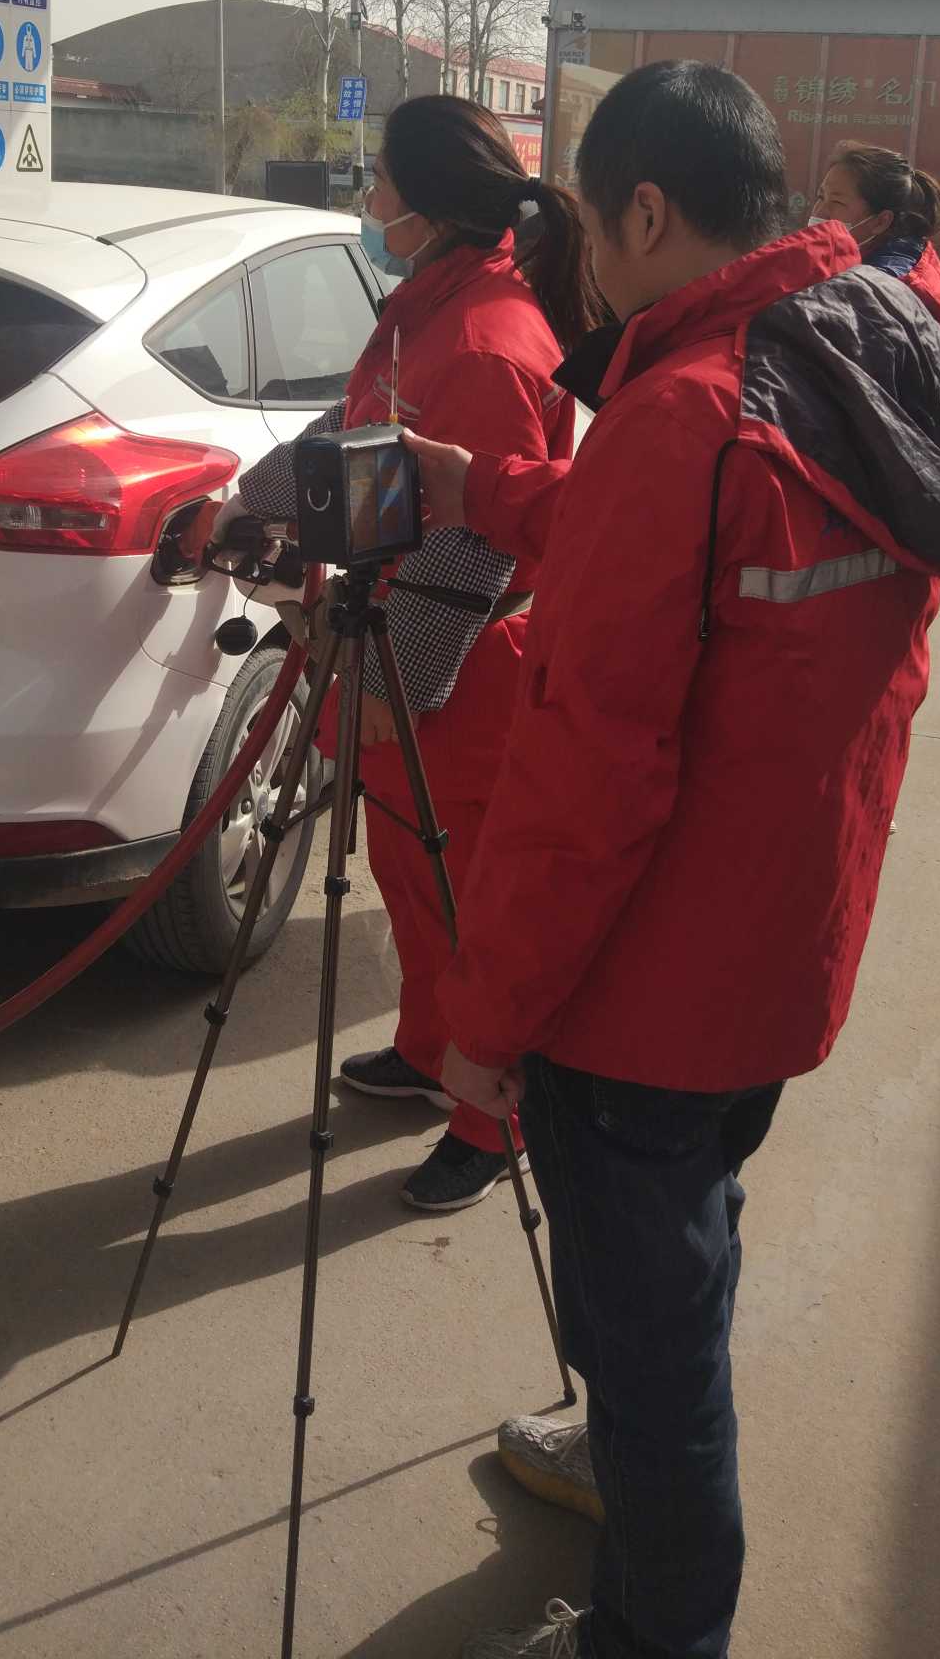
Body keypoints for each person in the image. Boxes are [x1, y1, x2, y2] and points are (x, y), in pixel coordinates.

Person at [401, 63, 940, 1656]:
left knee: (653, 1342)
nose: (581, 266)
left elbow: (586, 778)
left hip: (642, 1002)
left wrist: (486, 1017)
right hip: (781, 943)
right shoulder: (859, 340)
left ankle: (654, 1625)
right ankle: (625, 1459)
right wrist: (501, 490)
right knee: (685, 1252)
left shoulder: (685, 410)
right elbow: (693, 558)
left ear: (647, 210)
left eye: (589, 226)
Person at [235, 93, 603, 1213]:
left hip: (457, 666)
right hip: (391, 648)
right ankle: (430, 1045)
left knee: (471, 899)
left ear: (431, 205)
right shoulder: (427, 307)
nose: (369, 200)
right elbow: (356, 441)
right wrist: (248, 508)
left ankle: (494, 1121)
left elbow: (478, 535)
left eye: (382, 180)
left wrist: (407, 675)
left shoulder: (488, 338)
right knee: (408, 876)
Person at [810, 139, 940, 326]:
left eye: (837, 202)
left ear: (881, 221)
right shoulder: (856, 264)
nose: (819, 212)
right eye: (820, 197)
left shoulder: (887, 294)